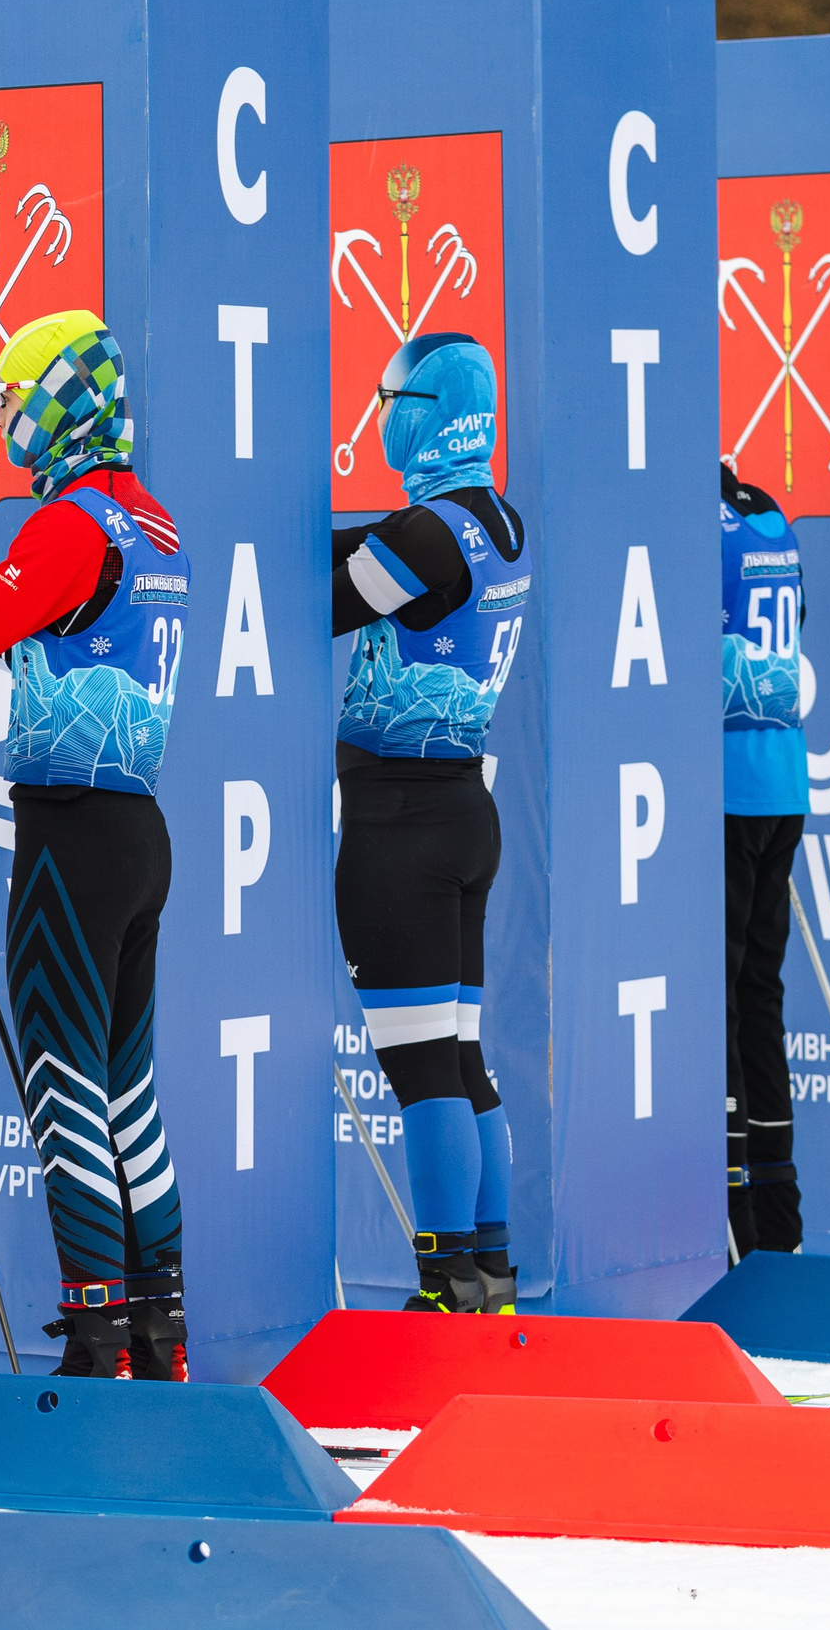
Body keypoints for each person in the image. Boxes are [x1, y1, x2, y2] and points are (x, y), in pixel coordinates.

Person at [0, 310, 192, 1380]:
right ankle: (158, 1331)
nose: (4, 418)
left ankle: (97, 1335)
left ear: (61, 400)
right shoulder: (145, 523)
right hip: (136, 831)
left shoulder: (65, 524)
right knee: (127, 1091)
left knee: (64, 1087)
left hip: (68, 837)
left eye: (12, 396)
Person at [330, 331, 528, 1314]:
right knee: (458, 1056)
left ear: (427, 408)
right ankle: (486, 1268)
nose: (378, 411)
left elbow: (321, 592)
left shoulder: (422, 534)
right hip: (460, 808)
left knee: (419, 1067)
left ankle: (445, 1280)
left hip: (398, 818)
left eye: (390, 394)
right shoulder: (494, 518)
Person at [719, 462, 808, 1256]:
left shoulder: (695, 525)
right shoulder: (765, 512)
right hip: (783, 781)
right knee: (759, 996)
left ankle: (739, 1216)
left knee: (721, 1002)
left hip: (729, 785)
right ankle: (777, 1222)